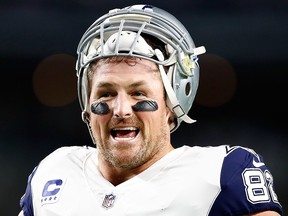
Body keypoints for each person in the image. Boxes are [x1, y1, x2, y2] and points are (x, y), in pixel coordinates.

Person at [18, 4, 283, 216]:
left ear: (172, 103)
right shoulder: (55, 172)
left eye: (138, 93)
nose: (120, 109)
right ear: (87, 104)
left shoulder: (220, 176)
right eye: (106, 93)